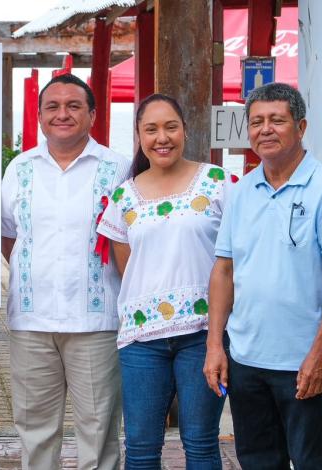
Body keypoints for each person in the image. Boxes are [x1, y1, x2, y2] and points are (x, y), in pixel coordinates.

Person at [203, 82, 322, 469]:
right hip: (246, 360)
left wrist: (320, 354)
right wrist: (216, 345)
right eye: (257, 122)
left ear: (300, 128)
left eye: (277, 120)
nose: (265, 129)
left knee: (310, 461)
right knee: (257, 461)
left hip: (304, 361)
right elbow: (224, 270)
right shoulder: (242, 190)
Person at [1, 73, 129, 470]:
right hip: (31, 321)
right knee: (34, 428)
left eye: (74, 105)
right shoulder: (19, 169)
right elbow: (9, 236)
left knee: (98, 429)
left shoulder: (118, 169)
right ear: (39, 117)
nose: (63, 114)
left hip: (95, 321)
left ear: (92, 114)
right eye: (52, 107)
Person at [98, 94, 230, 469]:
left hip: (205, 336)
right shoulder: (125, 195)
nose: (162, 137)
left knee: (201, 442)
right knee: (140, 447)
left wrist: (218, 336)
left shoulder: (218, 182)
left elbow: (232, 262)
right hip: (142, 340)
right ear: (138, 136)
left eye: (171, 127)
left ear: (185, 130)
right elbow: (129, 267)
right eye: (151, 129)